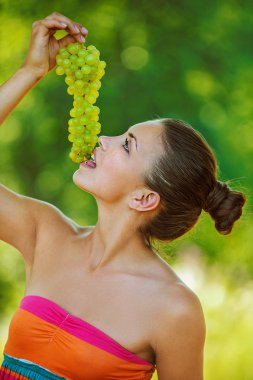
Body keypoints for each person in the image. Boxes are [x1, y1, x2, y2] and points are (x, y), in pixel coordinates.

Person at [0, 11, 246, 380]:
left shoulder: (174, 309)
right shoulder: (45, 233)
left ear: (144, 199)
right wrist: (29, 72)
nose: (103, 138)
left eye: (126, 145)